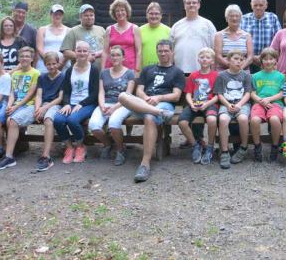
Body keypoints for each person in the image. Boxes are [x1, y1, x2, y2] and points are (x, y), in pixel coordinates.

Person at [118, 39, 185, 182]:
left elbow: (176, 96)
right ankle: (159, 114)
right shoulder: (148, 69)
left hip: (164, 104)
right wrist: (147, 98)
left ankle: (145, 163)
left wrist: (158, 98)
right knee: (123, 96)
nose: (163, 53)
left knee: (149, 117)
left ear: (172, 52)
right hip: (146, 103)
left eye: (166, 50)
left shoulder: (177, 72)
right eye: (160, 51)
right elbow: (139, 90)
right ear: (156, 52)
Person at [0, 47, 40, 171]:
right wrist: (9, 105)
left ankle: (9, 157)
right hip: (15, 104)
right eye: (22, 56)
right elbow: (12, 93)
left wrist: (15, 107)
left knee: (11, 120)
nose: (24, 58)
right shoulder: (16, 74)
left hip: (29, 105)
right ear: (18, 59)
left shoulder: (35, 73)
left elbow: (30, 94)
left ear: (32, 59)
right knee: (2, 120)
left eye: (27, 56)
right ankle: (8, 148)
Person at [89, 45, 135, 166]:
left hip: (123, 104)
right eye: (112, 55)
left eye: (118, 55)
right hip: (106, 103)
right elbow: (101, 92)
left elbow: (128, 95)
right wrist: (102, 105)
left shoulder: (130, 73)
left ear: (123, 57)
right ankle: (108, 144)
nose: (115, 57)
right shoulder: (103, 73)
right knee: (94, 125)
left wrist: (114, 108)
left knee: (114, 123)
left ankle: (120, 150)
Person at [53, 41, 99, 164]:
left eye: (85, 51)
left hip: (88, 104)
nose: (82, 53)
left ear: (89, 53)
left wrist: (82, 103)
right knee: (58, 119)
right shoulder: (69, 70)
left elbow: (95, 93)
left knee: (72, 120)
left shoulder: (93, 70)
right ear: (75, 52)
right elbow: (66, 90)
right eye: (79, 50)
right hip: (71, 103)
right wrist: (67, 103)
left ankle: (80, 146)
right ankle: (69, 147)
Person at [178, 48, 218, 165]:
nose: (205, 59)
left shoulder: (216, 75)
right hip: (194, 104)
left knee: (211, 119)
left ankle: (210, 147)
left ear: (212, 61)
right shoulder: (193, 75)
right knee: (182, 122)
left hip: (209, 104)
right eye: (202, 57)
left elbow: (217, 96)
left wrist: (207, 104)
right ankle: (195, 145)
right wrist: (191, 104)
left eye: (208, 57)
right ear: (198, 60)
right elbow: (189, 94)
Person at [213, 49, 253, 169]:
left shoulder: (246, 75)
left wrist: (240, 104)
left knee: (243, 119)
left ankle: (244, 147)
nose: (239, 62)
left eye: (241, 59)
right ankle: (225, 151)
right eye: (236, 59)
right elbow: (219, 94)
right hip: (226, 104)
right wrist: (227, 104)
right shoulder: (221, 75)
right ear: (228, 60)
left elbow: (248, 93)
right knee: (224, 119)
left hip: (242, 104)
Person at [249, 48, 285, 163]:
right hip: (259, 103)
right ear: (261, 61)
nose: (268, 61)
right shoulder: (255, 76)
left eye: (271, 59)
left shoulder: (281, 76)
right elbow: (252, 93)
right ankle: (257, 146)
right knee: (254, 120)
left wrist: (269, 99)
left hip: (275, 103)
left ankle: (275, 146)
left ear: (276, 60)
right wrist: (261, 100)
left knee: (274, 119)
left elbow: (282, 93)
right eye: (265, 59)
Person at [170, 0, 216, 74]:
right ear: (184, 5)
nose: (191, 5)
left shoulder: (208, 24)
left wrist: (212, 72)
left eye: (194, 3)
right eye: (188, 3)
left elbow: (214, 49)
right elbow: (171, 50)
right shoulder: (176, 26)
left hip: (202, 72)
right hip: (179, 71)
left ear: (199, 5)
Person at [33, 52, 65, 172]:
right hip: (43, 104)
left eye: (54, 64)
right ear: (45, 65)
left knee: (48, 120)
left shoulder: (62, 77)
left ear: (58, 63)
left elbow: (60, 98)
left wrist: (44, 108)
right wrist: (37, 109)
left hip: (55, 105)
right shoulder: (41, 77)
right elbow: (39, 95)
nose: (51, 67)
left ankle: (46, 156)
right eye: (48, 64)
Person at [241, 0, 281, 73]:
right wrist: (252, 57)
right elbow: (239, 40)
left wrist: (266, 57)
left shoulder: (273, 18)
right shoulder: (243, 19)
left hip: (268, 62)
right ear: (251, 5)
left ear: (266, 5)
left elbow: (279, 40)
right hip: (247, 62)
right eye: (255, 5)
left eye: (261, 5)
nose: (258, 8)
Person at [101, 0, 142, 74]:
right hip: (112, 68)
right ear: (114, 13)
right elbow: (105, 52)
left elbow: (139, 51)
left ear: (127, 12)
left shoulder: (135, 28)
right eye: (117, 11)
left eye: (122, 10)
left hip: (130, 69)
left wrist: (137, 70)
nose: (120, 13)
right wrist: (102, 70)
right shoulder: (109, 29)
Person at [60, 4, 106, 69]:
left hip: (100, 72)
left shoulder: (101, 29)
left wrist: (95, 55)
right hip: (80, 71)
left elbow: (108, 48)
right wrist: (84, 57)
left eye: (91, 15)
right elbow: (66, 52)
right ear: (80, 17)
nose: (89, 18)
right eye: (86, 15)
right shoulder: (73, 31)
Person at [214, 4, 253, 71]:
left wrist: (240, 68)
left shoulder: (247, 36)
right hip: (224, 72)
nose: (234, 18)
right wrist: (232, 67)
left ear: (240, 18)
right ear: (226, 18)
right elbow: (218, 57)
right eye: (231, 16)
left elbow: (250, 57)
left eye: (237, 16)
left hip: (243, 72)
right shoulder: (219, 35)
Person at [36, 4, 70, 73]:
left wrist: (60, 63)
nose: (58, 16)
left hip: (63, 66)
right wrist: (49, 61)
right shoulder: (42, 30)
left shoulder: (69, 30)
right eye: (55, 14)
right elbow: (39, 49)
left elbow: (69, 49)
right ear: (51, 14)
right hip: (44, 65)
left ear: (62, 16)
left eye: (60, 14)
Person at [140, 2, 171, 67]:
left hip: (164, 70)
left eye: (156, 14)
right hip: (144, 71)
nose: (154, 16)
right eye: (151, 13)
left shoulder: (169, 31)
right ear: (146, 15)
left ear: (161, 15)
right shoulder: (139, 31)